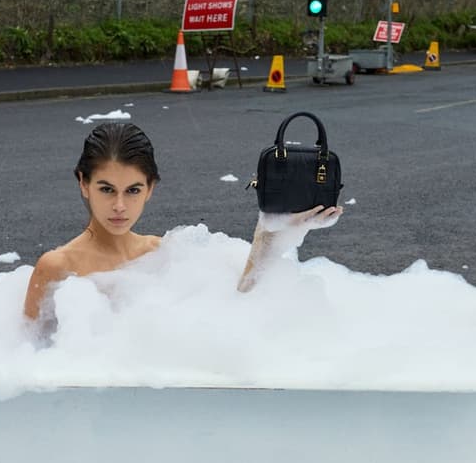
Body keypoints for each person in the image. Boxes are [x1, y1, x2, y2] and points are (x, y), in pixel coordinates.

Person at [23, 120, 341, 325]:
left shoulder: (160, 254)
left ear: (150, 189)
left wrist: (273, 233)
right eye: (106, 189)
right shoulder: (56, 267)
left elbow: (233, 314)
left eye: (133, 190)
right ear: (83, 184)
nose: (119, 206)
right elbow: (26, 359)